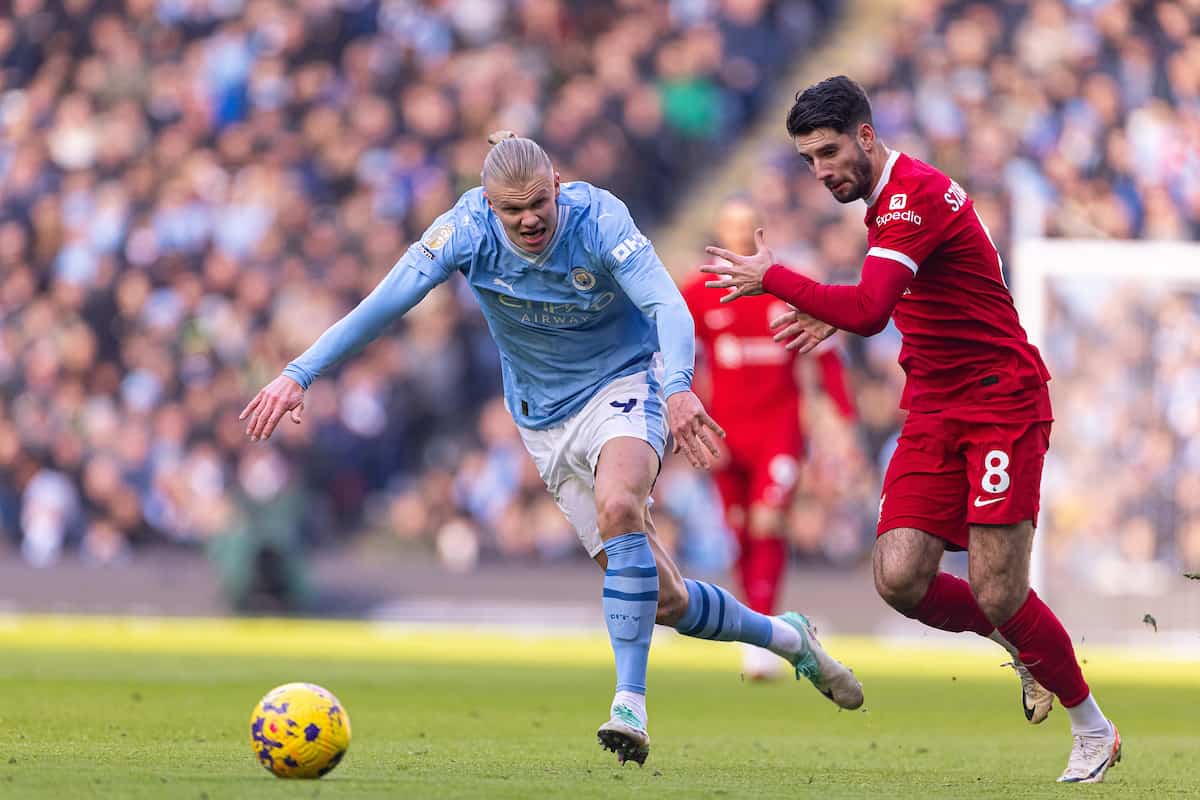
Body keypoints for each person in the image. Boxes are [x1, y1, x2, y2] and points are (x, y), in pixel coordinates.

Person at [241, 131, 863, 767]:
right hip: (542, 422)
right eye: (512, 210)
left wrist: (676, 389)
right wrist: (300, 373)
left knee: (621, 504)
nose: (529, 218)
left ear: (558, 187)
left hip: (623, 386)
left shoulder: (600, 220)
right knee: (667, 601)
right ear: (489, 205)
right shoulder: (463, 229)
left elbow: (668, 306)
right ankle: (791, 641)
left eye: (539, 202)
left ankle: (630, 703)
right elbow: (384, 304)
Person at [702, 77, 1119, 784]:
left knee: (997, 588)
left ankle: (1093, 727)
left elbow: (869, 309)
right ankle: (1024, 647)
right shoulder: (889, 205)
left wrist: (776, 278)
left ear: (866, 135)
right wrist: (832, 307)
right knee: (899, 578)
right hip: (933, 407)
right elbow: (900, 296)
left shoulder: (913, 195)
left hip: (999, 403)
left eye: (830, 152)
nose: (822, 170)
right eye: (808, 160)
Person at [681, 197, 857, 680]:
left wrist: (841, 416)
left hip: (779, 427)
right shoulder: (698, 293)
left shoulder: (788, 288)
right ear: (719, 231)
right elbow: (674, 352)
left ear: (761, 231)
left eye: (747, 227)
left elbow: (824, 353)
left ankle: (762, 635)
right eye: (731, 227)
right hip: (724, 431)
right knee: (738, 530)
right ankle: (756, 627)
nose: (739, 236)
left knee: (768, 521)